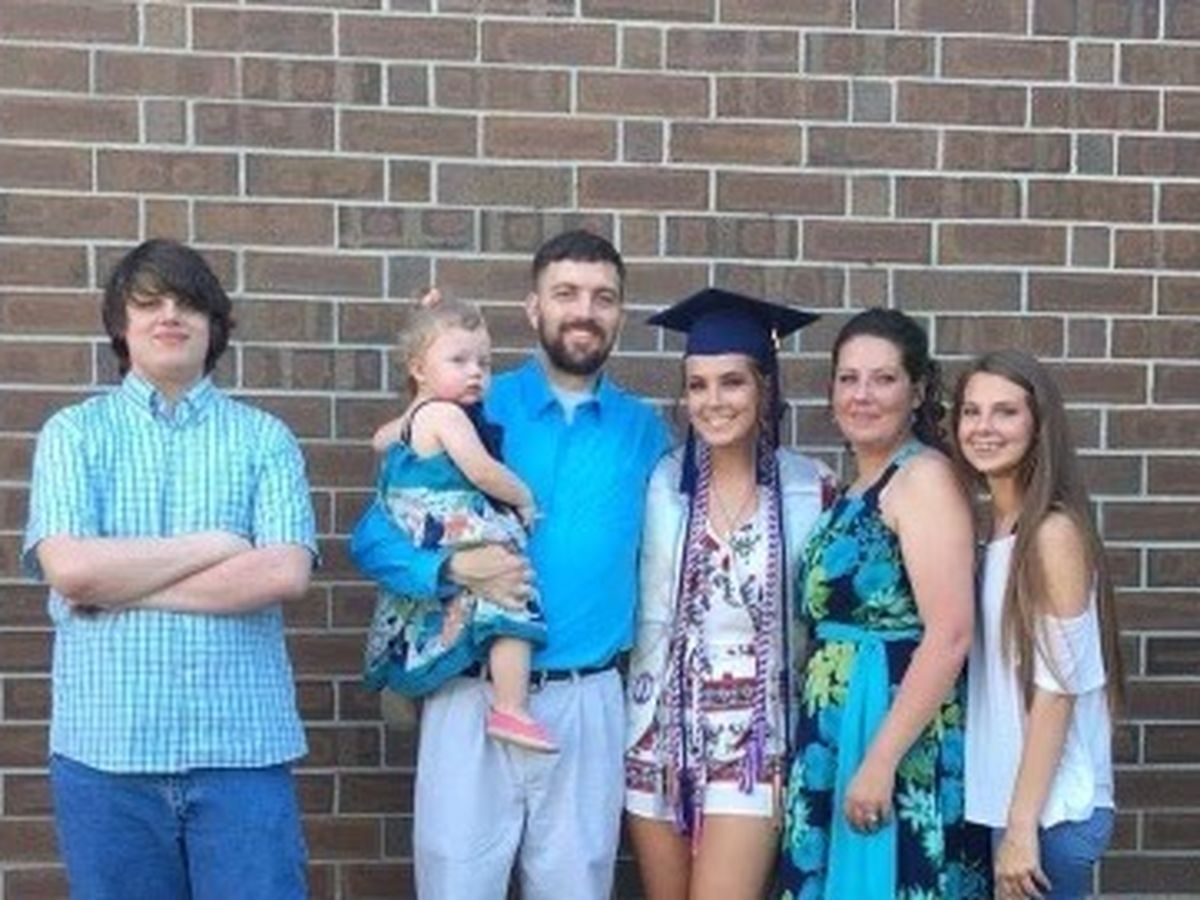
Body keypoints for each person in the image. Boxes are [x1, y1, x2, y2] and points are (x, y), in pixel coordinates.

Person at [350, 229, 670, 899]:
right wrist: (450, 571)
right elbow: (375, 538)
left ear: (620, 312)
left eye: (603, 297)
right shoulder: (470, 405)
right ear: (533, 307)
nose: (584, 311)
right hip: (470, 694)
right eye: (566, 293)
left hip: (586, 699)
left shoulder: (646, 433)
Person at [22, 239, 317, 899]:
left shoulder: (265, 438)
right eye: (149, 303)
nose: (169, 316)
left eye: (187, 302)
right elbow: (72, 571)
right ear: (120, 326)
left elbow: (283, 573)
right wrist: (217, 543)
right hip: (107, 757)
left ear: (214, 324)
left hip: (242, 755)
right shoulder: (74, 434)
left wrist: (122, 588)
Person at [624, 290, 836, 900]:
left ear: (764, 388)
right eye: (698, 385)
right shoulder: (661, 483)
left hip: (756, 740)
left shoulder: (812, 490)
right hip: (657, 735)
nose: (713, 401)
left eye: (732, 382)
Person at [779, 308, 991, 899]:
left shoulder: (923, 479)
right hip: (839, 725)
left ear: (917, 391)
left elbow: (950, 633)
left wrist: (878, 762)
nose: (862, 395)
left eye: (883, 379)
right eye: (848, 378)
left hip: (893, 730)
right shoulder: (856, 488)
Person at [953, 350, 1123, 900]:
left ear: (1039, 425)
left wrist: (1021, 827)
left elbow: (1057, 689)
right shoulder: (999, 528)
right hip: (1016, 804)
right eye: (972, 411)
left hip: (1049, 814)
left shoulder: (1051, 533)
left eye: (1005, 412)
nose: (984, 427)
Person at [363, 292, 555, 752]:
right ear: (418, 368)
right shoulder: (448, 415)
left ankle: (400, 681)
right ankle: (510, 707)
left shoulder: (415, 417)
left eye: (484, 363)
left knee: (419, 612)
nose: (476, 372)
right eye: (459, 360)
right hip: (450, 524)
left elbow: (379, 440)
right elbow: (482, 471)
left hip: (415, 528)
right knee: (512, 594)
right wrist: (524, 498)